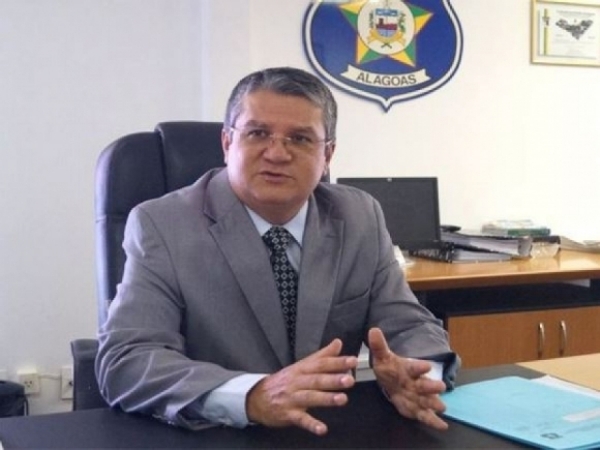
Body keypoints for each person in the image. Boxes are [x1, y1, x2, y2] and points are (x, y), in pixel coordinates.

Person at [95, 66, 460, 435]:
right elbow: (128, 360)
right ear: (227, 143)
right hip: (216, 433)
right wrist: (251, 396)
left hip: (328, 431)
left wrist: (421, 375)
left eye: (300, 139)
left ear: (328, 155)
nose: (277, 153)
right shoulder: (163, 224)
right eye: (258, 133)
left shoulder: (359, 215)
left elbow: (407, 322)